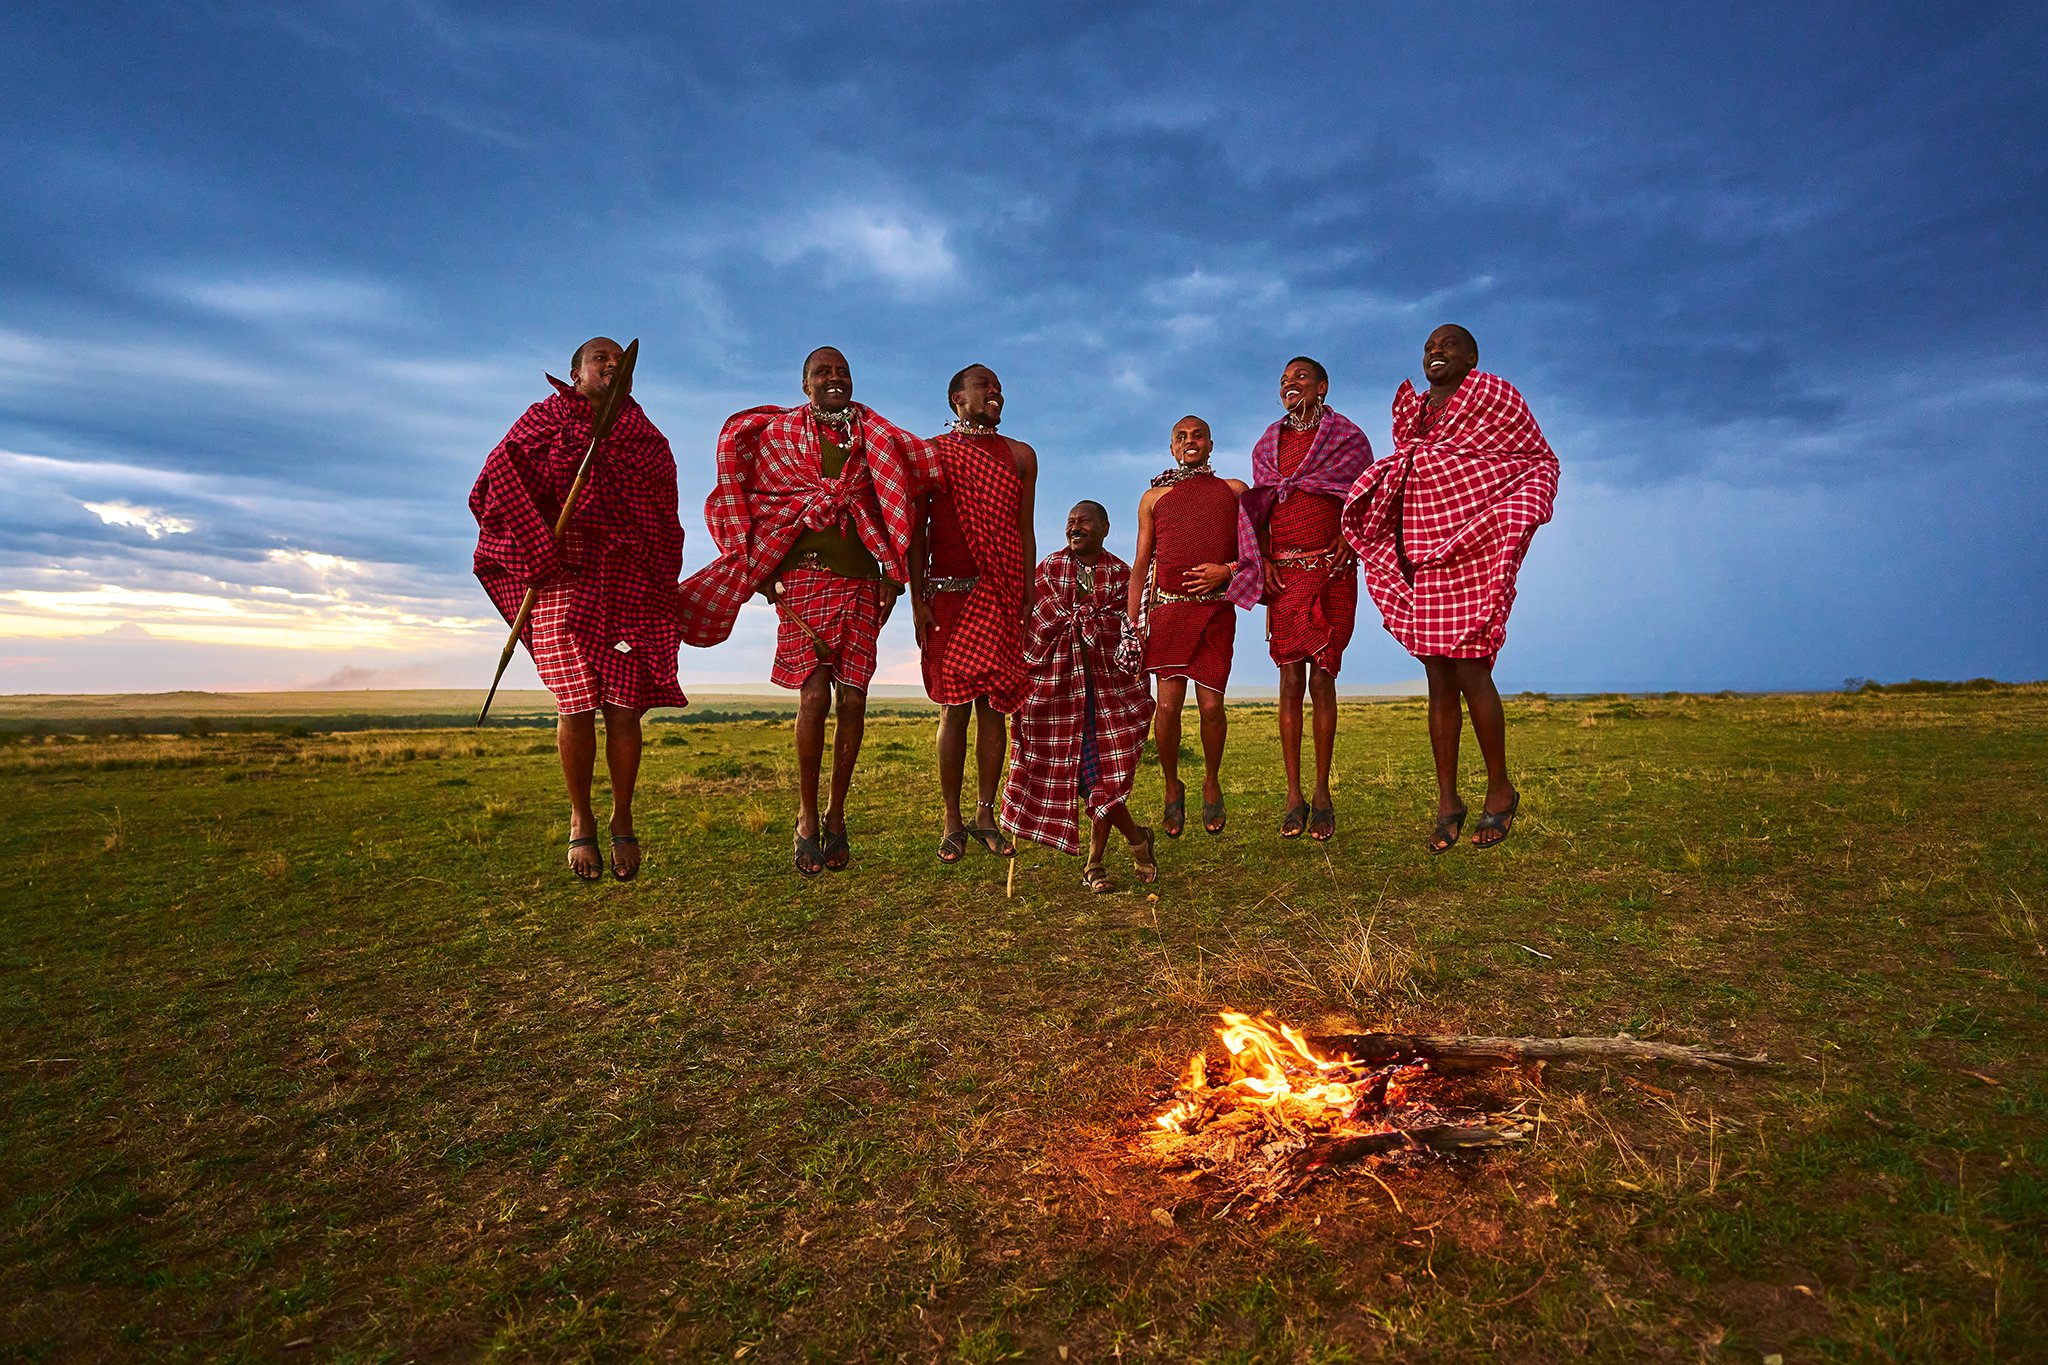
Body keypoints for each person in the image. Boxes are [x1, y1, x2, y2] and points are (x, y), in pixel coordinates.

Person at [674, 347, 939, 876]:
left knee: (855, 700)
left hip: (863, 581)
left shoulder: (874, 438)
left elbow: (898, 501)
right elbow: (753, 499)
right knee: (814, 693)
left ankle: (838, 815)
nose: (835, 379)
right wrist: (764, 571)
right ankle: (805, 816)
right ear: (804, 384)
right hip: (803, 579)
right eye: (823, 373)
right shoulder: (778, 440)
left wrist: (893, 574)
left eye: (842, 373)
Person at [470, 337, 684, 882]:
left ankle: (623, 819)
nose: (611, 365)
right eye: (599, 359)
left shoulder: (647, 440)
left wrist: (660, 579)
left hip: (628, 584)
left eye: (620, 361)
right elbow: (495, 480)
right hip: (563, 574)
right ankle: (580, 818)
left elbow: (665, 517)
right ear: (575, 372)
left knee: (624, 706)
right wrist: (537, 547)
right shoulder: (546, 419)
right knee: (575, 703)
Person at [1342, 324, 1558, 852]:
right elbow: (1415, 475)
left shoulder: (1495, 397)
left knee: (1470, 668)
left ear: (1473, 356)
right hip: (1419, 546)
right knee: (1437, 674)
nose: (1436, 351)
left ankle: (1500, 790)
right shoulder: (1411, 413)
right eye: (1429, 346)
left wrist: (1511, 516)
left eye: (1449, 344)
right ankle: (1447, 799)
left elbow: (1535, 462)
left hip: (1470, 547)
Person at [1226, 357, 1375, 841]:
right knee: (1289, 678)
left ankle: (1323, 793)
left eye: (1301, 378)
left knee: (1324, 676)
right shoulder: (1268, 443)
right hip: (1285, 571)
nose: (1291, 385)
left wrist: (1350, 538)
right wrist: (1263, 559)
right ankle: (1293, 795)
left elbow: (1365, 498)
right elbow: (1262, 508)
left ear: (1323, 386)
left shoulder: (1349, 440)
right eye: (1284, 380)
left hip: (1332, 570)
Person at [909, 364, 1037, 864]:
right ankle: (951, 820)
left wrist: (1027, 597)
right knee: (953, 709)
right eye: (985, 385)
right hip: (948, 597)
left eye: (999, 385)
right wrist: (918, 599)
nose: (995, 391)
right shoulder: (932, 454)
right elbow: (917, 532)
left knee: (994, 708)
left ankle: (987, 815)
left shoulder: (1021, 456)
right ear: (957, 398)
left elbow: (1024, 532)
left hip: (1002, 593)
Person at [1001, 501, 1158, 891]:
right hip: (1059, 696)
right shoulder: (1049, 571)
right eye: (1070, 521)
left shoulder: (1123, 575)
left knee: (1103, 779)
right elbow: (1032, 627)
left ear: (1105, 527)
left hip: (1109, 696)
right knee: (1090, 781)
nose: (1075, 526)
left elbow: (1133, 632)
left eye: (1084, 521)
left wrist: (1094, 629)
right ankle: (1137, 839)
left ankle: (1095, 862)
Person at [1129, 416, 1246, 837]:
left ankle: (1211, 781)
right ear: (1172, 448)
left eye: (1197, 436)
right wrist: (1132, 623)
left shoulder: (1234, 491)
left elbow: (1254, 552)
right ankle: (1171, 785)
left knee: (1212, 706)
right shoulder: (1154, 498)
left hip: (1215, 611)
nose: (1190, 442)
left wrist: (1226, 570)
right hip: (1169, 612)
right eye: (1181, 437)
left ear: (1211, 444)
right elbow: (1142, 564)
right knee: (1167, 707)